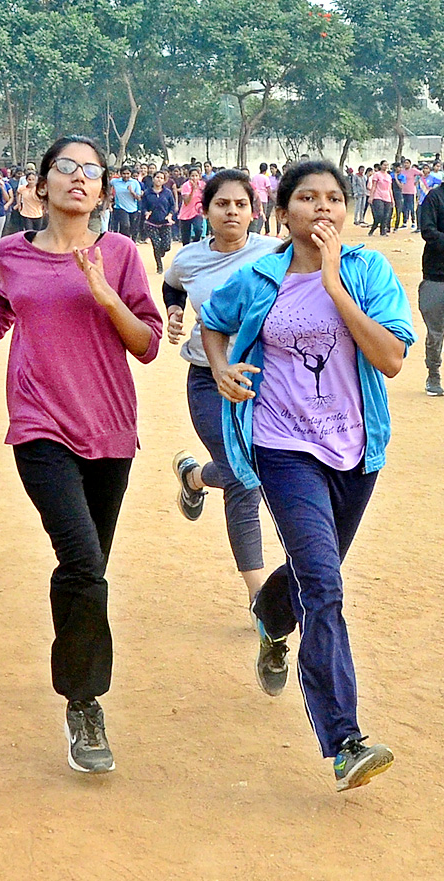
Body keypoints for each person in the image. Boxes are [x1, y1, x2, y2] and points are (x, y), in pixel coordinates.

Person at [0, 136, 162, 774]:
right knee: (84, 560)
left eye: (92, 171)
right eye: (66, 168)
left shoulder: (118, 254)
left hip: (110, 428)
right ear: (41, 185)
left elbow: (147, 345)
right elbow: (2, 310)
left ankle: (75, 680)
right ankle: (86, 705)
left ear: (105, 191)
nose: (79, 179)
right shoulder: (11, 252)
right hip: (38, 426)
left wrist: (105, 293)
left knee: (86, 570)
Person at [200, 160, 415, 792]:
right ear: (285, 212)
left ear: (346, 210)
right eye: (307, 198)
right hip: (282, 448)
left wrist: (333, 284)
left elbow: (392, 359)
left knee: (307, 575)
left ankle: (271, 617)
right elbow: (214, 321)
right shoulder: (259, 276)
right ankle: (344, 738)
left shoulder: (367, 272)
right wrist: (220, 369)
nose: (322, 208)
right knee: (324, 584)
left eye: (333, 198)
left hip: (354, 450)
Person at [163, 169, 280, 602]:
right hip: (208, 379)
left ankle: (194, 478)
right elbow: (171, 287)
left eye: (240, 204)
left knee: (256, 469)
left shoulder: (275, 252)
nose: (232, 211)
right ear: (205, 209)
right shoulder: (189, 258)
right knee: (242, 478)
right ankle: (259, 596)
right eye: (222, 204)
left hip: (266, 382)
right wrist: (174, 313)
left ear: (254, 210)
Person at [418, 179, 444, 395]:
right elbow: (428, 231)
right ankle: (433, 376)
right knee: (436, 332)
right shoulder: (434, 198)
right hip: (436, 277)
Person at [141, 170, 174, 273]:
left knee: (166, 245)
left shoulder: (167, 193)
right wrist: (146, 212)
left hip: (165, 222)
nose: (159, 179)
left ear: (164, 181)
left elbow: (172, 206)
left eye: (161, 178)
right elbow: (143, 206)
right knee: (156, 244)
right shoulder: (147, 193)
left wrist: (170, 215)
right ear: (153, 179)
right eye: (157, 177)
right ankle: (159, 267)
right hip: (151, 222)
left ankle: (161, 252)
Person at [110, 166, 141, 240]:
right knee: (125, 225)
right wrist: (109, 195)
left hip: (132, 208)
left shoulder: (135, 183)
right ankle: (125, 242)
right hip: (120, 207)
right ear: (120, 174)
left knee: (132, 228)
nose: (126, 175)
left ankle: (131, 242)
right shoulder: (115, 181)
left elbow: (139, 198)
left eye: (128, 173)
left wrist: (132, 192)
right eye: (124, 173)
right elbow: (106, 185)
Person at [178, 166, 205, 245]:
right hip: (186, 213)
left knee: (198, 229)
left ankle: (195, 244)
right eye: (192, 176)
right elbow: (186, 201)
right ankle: (186, 249)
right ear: (189, 176)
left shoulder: (202, 185)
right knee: (185, 236)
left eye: (196, 176)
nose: (194, 178)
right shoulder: (186, 186)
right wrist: (193, 190)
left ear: (199, 176)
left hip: (197, 211)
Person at [368, 159, 393, 236]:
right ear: (381, 166)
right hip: (378, 196)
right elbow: (374, 186)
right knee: (379, 214)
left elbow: (390, 188)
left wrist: (392, 199)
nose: (385, 166)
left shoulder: (389, 176)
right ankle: (373, 228)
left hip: (387, 197)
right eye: (384, 165)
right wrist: (371, 197)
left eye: (387, 165)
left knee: (386, 215)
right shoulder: (377, 175)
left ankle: (383, 231)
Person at [400, 159, 419, 228]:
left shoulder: (413, 170)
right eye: (405, 163)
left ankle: (413, 222)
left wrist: (417, 181)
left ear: (410, 164)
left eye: (407, 163)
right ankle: (405, 222)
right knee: (404, 207)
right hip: (403, 191)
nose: (406, 164)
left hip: (411, 191)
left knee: (411, 207)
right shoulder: (402, 171)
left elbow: (421, 174)